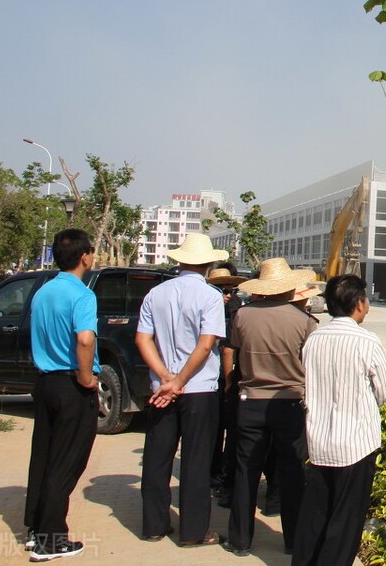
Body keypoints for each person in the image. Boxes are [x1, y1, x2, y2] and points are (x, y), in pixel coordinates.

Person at [134, 233, 228, 547]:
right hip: (198, 388)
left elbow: (143, 340)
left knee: (157, 457)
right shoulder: (211, 295)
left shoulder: (155, 293)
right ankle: (193, 531)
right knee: (196, 461)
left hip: (162, 387)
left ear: (179, 261)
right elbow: (206, 345)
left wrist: (166, 377)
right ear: (210, 263)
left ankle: (153, 525)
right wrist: (181, 380)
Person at [222, 258, 319, 557]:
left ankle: (239, 540)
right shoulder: (304, 322)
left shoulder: (242, 316)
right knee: (292, 474)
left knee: (245, 471)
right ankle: (293, 541)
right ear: (288, 288)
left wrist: (229, 385)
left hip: (250, 401)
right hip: (290, 402)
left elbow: (232, 353)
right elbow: (312, 365)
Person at [291, 274, 386, 566]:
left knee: (316, 513)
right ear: (358, 304)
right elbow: (383, 393)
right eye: (365, 299)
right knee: (346, 519)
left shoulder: (314, 339)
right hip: (356, 444)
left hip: (319, 442)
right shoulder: (368, 341)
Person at [23, 229, 99, 561]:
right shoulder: (82, 294)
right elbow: (84, 339)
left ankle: (36, 529)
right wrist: (86, 378)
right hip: (72, 385)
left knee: (44, 456)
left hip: (45, 383)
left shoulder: (43, 291)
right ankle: (51, 541)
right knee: (65, 464)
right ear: (85, 257)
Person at [207, 264, 246, 497]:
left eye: (231, 290)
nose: (227, 295)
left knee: (232, 429)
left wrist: (231, 379)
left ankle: (224, 475)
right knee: (213, 429)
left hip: (229, 377)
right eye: (222, 290)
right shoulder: (204, 304)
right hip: (208, 376)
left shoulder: (238, 309)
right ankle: (212, 473)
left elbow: (231, 349)